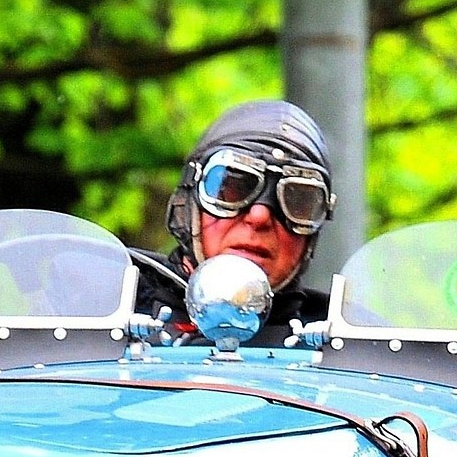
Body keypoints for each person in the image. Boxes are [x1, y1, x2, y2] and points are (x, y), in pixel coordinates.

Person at [132, 100, 335, 346]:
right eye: (231, 189)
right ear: (191, 204)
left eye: (297, 202)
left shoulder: (348, 344)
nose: (259, 216)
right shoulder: (107, 309)